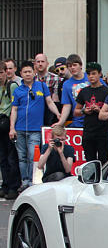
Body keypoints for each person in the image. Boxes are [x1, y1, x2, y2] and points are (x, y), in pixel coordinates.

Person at [9, 61, 61, 190]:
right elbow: (14, 110)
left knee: (33, 156)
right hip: (20, 128)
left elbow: (49, 102)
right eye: (25, 72)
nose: (27, 74)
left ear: (34, 73)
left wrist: (58, 114)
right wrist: (12, 127)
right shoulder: (18, 90)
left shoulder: (41, 86)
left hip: (35, 129)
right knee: (22, 157)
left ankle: (33, 181)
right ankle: (24, 181)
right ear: (21, 73)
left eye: (30, 72)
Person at [74, 62, 108, 164]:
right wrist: (84, 111)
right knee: (90, 162)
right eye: (89, 74)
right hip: (88, 131)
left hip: (103, 132)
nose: (91, 76)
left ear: (100, 74)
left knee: (103, 161)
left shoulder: (107, 92)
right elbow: (76, 111)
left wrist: (100, 111)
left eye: (94, 73)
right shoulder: (84, 91)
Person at [0, 61, 20, 199]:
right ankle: (5, 184)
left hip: (8, 124)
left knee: (11, 157)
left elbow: (15, 107)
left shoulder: (12, 86)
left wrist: (13, 127)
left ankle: (13, 186)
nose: (0, 75)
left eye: (1, 72)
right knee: (2, 158)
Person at [57, 54, 91, 128]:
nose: (72, 68)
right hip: (78, 121)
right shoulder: (66, 84)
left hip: (94, 120)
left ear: (81, 65)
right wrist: (60, 122)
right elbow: (66, 105)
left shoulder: (91, 77)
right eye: (69, 66)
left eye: (75, 65)